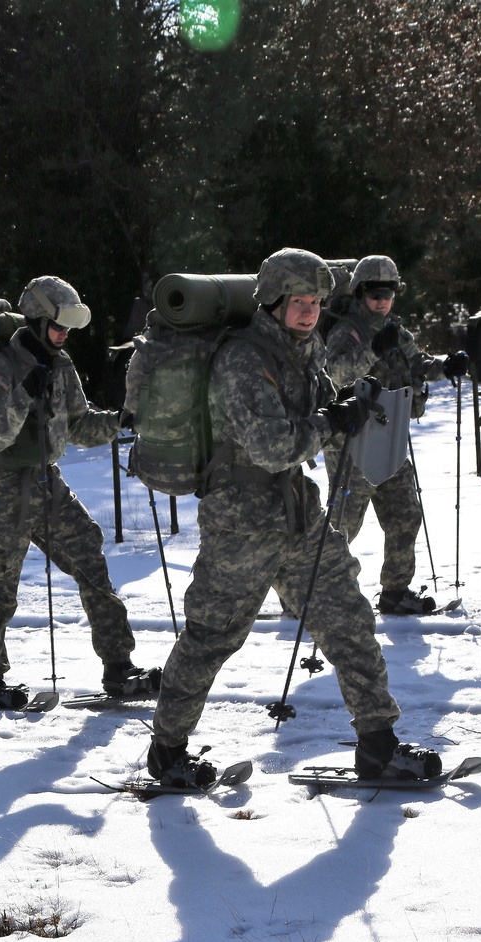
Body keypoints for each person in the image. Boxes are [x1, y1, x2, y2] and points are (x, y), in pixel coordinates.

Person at [145, 247, 441, 789]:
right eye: (299, 301)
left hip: (298, 512)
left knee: (349, 619)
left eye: (316, 302)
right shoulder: (242, 360)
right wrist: (331, 421)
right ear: (274, 301)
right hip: (242, 522)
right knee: (213, 637)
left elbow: (318, 412)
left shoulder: (304, 350)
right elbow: (272, 446)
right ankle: (167, 750)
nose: (309, 311)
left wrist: (352, 411)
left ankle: (378, 743)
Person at [0, 275, 158, 709]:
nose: (64, 334)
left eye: (68, 327)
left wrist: (122, 421)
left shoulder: (60, 363)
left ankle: (119, 667)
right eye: (58, 326)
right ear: (36, 321)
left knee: (89, 553)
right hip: (2, 487)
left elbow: (79, 424)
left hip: (44, 479)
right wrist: (22, 394)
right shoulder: (3, 363)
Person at [324, 254, 470, 615]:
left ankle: (395, 591)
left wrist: (445, 366)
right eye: (374, 293)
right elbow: (337, 374)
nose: (382, 301)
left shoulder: (396, 330)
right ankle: (315, 591)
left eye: (388, 293)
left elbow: (416, 361)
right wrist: (373, 350)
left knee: (406, 514)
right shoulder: (348, 330)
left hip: (389, 437)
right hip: (352, 443)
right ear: (360, 293)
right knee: (342, 526)